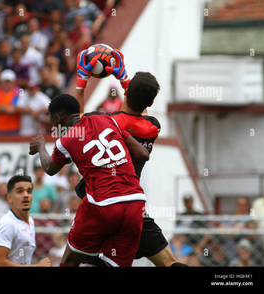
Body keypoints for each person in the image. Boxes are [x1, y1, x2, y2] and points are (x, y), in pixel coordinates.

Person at [74, 48, 188, 267]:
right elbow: (139, 112)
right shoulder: (153, 126)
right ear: (151, 103)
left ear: (124, 94)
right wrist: (124, 78)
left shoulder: (105, 122)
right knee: (169, 262)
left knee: (89, 262)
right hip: (134, 208)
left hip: (101, 203)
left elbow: (77, 123)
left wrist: (82, 81)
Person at [29, 94, 149, 267]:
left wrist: (41, 145)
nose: (53, 125)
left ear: (57, 118)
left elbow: (49, 168)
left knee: (70, 261)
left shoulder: (66, 141)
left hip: (102, 204)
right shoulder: (105, 119)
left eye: (52, 121)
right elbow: (142, 154)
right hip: (135, 203)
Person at [0, 175, 51, 267]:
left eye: (29, 191)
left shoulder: (30, 221)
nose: (26, 195)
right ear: (10, 198)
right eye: (20, 191)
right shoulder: (7, 224)